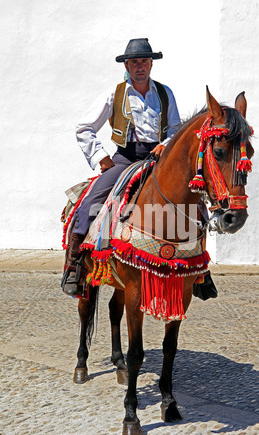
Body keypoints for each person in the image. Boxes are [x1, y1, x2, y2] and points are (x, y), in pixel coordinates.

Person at [62, 38, 217, 301]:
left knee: (195, 202)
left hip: (160, 158)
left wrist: (166, 145)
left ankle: (199, 271)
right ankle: (75, 265)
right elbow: (84, 127)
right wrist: (101, 157)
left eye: (144, 61)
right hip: (125, 158)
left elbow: (175, 129)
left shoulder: (165, 93)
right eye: (134, 62)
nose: (140, 66)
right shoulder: (115, 94)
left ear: (151, 64)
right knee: (93, 200)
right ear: (127, 65)